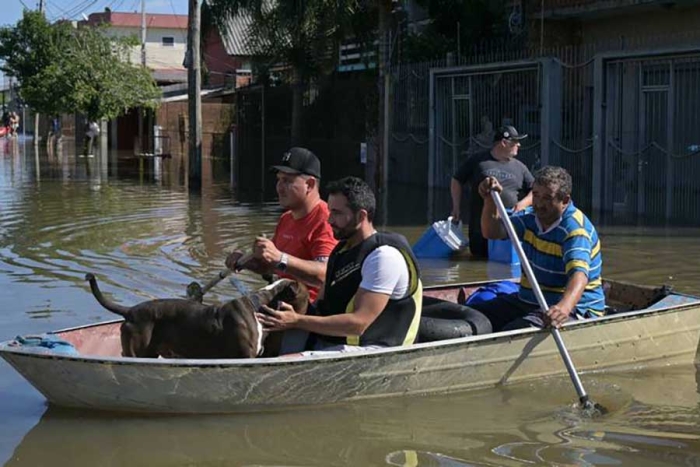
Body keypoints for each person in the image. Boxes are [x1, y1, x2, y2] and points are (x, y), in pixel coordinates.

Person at [255, 176, 423, 354]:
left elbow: (358, 324)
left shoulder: (383, 258)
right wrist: (289, 313)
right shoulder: (342, 250)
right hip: (333, 338)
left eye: (337, 213)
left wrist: (296, 320)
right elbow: (322, 304)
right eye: (329, 211)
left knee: (286, 363)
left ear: (361, 216)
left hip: (374, 348)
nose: (329, 220)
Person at [470, 166, 605, 331]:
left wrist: (563, 308)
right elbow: (492, 231)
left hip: (575, 307)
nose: (539, 204)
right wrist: (489, 199)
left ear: (565, 200)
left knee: (513, 332)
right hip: (530, 300)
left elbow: (579, 276)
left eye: (548, 198)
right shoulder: (531, 218)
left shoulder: (574, 230)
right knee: (475, 315)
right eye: (536, 195)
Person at [225, 147, 337, 302]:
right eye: (278, 180)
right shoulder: (286, 218)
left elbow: (324, 275)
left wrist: (279, 257)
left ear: (309, 185)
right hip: (281, 300)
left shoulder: (326, 221)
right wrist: (245, 262)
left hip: (308, 310)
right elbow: (272, 266)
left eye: (287, 181)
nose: (279, 187)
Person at [450, 125, 534, 258]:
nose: (519, 145)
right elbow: (457, 180)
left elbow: (534, 191)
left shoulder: (520, 167)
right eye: (515, 141)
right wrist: (456, 207)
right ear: (504, 142)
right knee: (478, 262)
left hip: (505, 230)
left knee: (503, 264)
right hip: (479, 228)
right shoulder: (478, 161)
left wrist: (523, 204)